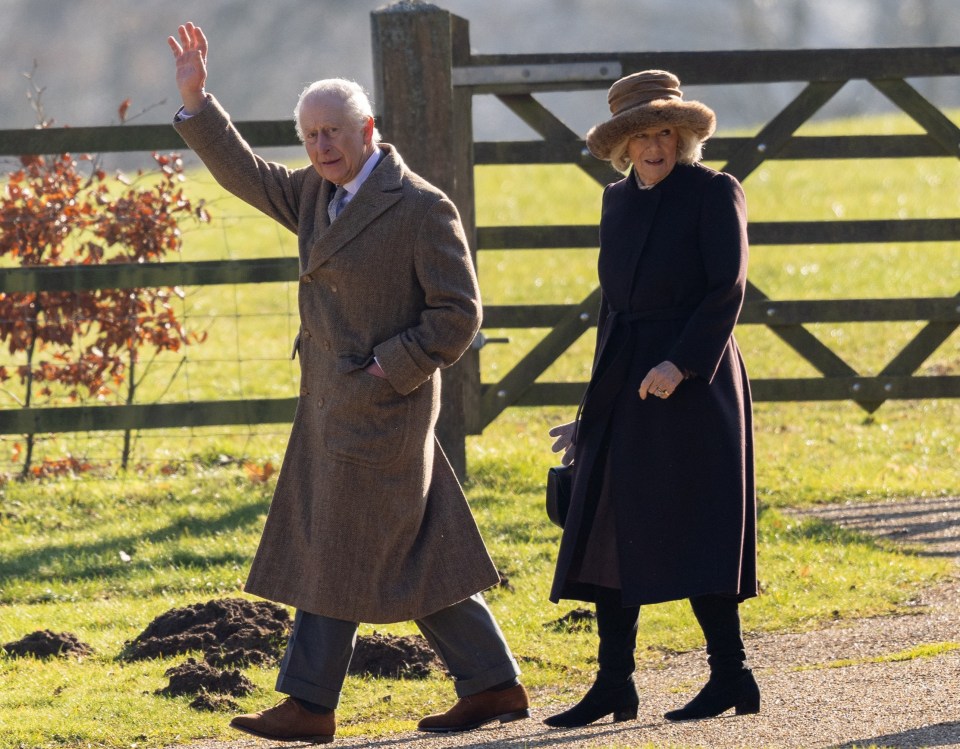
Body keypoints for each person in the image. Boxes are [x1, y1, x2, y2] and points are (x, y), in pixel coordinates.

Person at [166, 22, 528, 744]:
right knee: (410, 551)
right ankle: (492, 683)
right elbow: (246, 173)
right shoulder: (311, 194)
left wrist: (389, 367)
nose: (321, 146)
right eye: (310, 135)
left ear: (368, 129)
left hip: (384, 410)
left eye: (333, 132)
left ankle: (309, 703)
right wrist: (197, 102)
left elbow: (459, 314)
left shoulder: (421, 207)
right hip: (331, 408)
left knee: (338, 545)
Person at [544, 69, 758, 727]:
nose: (655, 145)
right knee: (608, 514)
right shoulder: (615, 201)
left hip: (697, 379)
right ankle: (615, 682)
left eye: (665, 132)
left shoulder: (714, 191)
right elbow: (613, 308)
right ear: (623, 146)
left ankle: (732, 674)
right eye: (641, 136)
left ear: (683, 135)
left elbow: (728, 288)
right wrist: (590, 412)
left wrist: (683, 363)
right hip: (626, 373)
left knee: (697, 518)